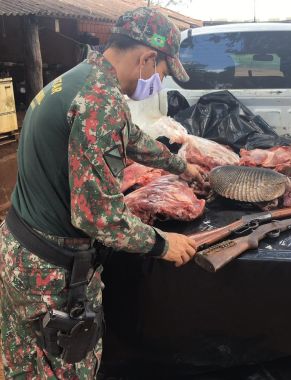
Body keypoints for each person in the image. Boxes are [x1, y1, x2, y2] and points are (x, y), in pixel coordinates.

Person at [0, 7, 204, 379]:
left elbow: (132, 138)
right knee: (68, 367)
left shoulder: (80, 81)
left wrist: (180, 166)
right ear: (147, 58)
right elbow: (98, 217)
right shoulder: (100, 103)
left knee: (25, 367)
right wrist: (163, 243)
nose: (160, 82)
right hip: (51, 277)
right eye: (163, 73)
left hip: (19, 252)